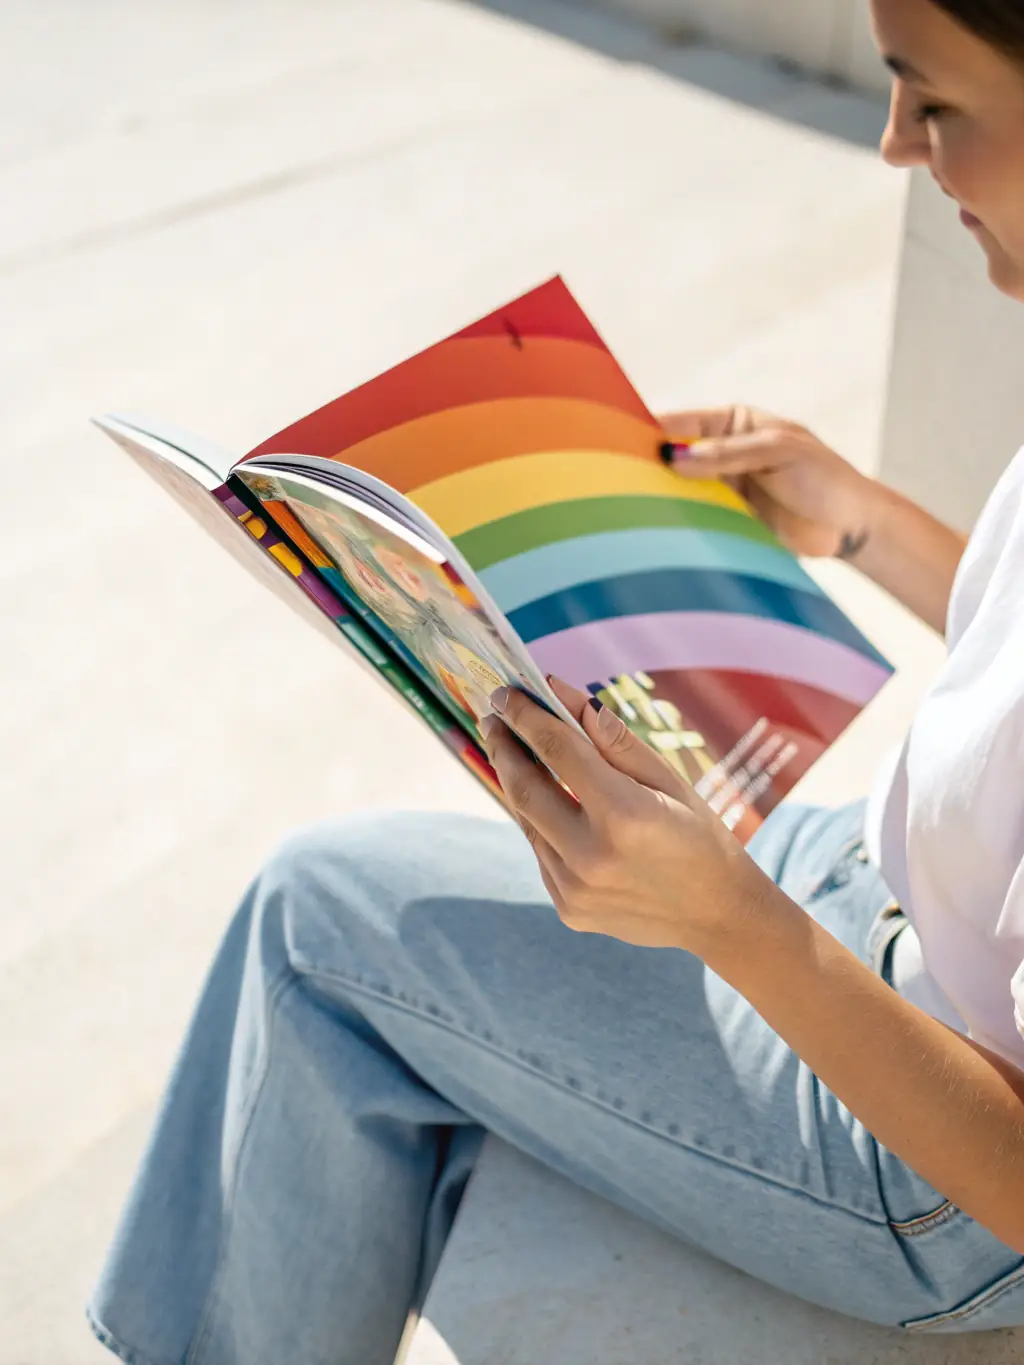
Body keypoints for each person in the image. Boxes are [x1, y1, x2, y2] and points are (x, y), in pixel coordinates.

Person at [88, 2, 1024, 1360]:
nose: (894, 147)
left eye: (934, 104)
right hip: (884, 896)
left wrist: (732, 925)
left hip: (923, 1161)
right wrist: (866, 519)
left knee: (315, 924)